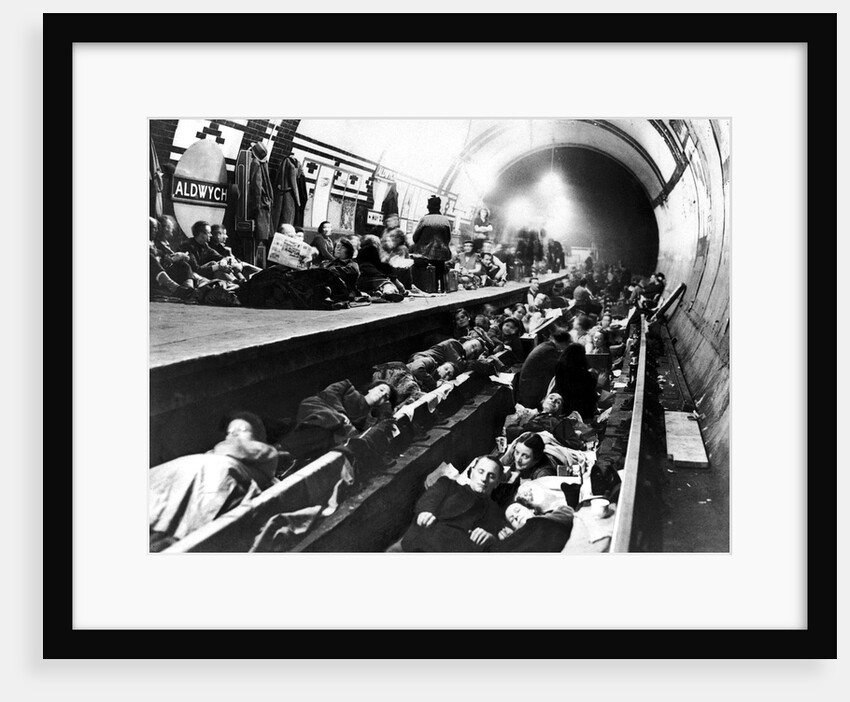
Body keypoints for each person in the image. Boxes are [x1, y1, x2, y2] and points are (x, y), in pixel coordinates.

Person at [149, 411, 283, 550]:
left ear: (257, 435)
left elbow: (233, 448)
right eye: (229, 432)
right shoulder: (215, 453)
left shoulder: (266, 451)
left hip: (215, 477)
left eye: (242, 430)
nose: (234, 434)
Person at [400, 456, 507, 552]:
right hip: (424, 542)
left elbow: (496, 541)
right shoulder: (447, 485)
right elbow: (428, 501)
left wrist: (491, 539)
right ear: (471, 472)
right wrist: (425, 512)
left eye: (491, 476)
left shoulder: (495, 511)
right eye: (481, 471)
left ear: (497, 483)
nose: (484, 479)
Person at [276, 379, 396, 465]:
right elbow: (329, 394)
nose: (382, 395)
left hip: (332, 427)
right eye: (381, 390)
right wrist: (342, 415)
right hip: (319, 406)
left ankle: (282, 453)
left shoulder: (368, 420)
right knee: (340, 426)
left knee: (328, 436)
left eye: (385, 397)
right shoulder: (347, 386)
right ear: (371, 388)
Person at [513, 320, 573, 409]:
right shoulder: (549, 350)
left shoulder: (547, 346)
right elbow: (560, 368)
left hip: (529, 386)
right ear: (563, 343)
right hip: (530, 391)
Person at [489, 500, 574, 552]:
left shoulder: (554, 515)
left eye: (517, 510)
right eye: (511, 520)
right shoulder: (516, 537)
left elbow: (570, 513)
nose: (515, 516)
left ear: (531, 509)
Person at [410, 194, 453, 289]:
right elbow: (448, 238)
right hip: (442, 255)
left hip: (425, 254)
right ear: (440, 206)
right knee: (440, 270)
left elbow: (415, 237)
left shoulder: (424, 220)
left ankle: (426, 287)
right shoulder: (445, 220)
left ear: (428, 207)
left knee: (421, 269)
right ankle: (441, 288)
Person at [554, 342, 599, 424]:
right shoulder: (580, 373)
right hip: (581, 408)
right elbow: (589, 389)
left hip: (565, 406)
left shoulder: (560, 367)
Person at [355, 234, 406, 301]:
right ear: (375, 243)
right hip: (373, 277)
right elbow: (382, 266)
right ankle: (388, 292)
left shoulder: (359, 253)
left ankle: (376, 293)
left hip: (360, 279)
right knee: (387, 284)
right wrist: (394, 279)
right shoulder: (372, 250)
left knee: (374, 287)